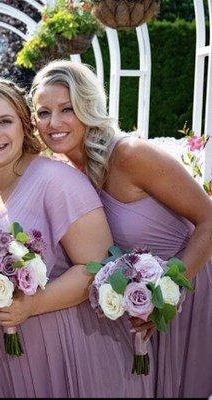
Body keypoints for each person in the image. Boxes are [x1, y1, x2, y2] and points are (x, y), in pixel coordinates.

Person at [30, 60, 212, 397]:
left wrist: (169, 295)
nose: (53, 123)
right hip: (144, 309)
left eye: (66, 109)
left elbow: (209, 219)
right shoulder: (62, 174)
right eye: (43, 113)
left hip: (194, 289)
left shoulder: (130, 155)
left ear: (87, 107)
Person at [0, 77, 154, 397]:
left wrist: (31, 305)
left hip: (67, 353)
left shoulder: (57, 180)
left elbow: (97, 266)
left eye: (5, 121)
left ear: (25, 127)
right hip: (10, 359)